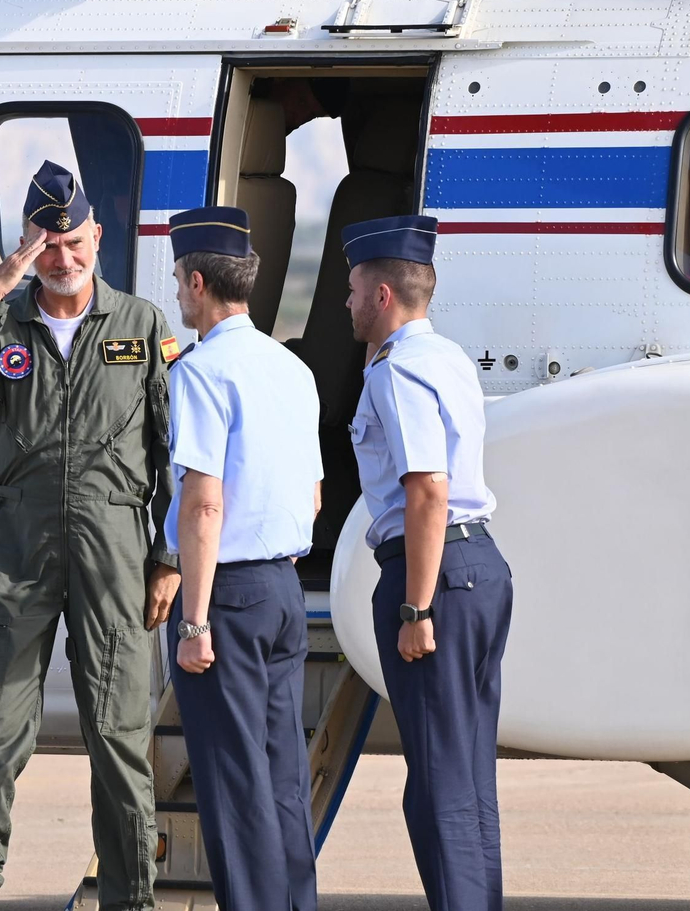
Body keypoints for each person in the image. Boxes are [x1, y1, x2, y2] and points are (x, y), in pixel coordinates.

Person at [0, 160, 183, 911]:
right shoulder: (2, 323)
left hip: (116, 555)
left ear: (96, 237)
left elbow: (173, 447)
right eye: (47, 247)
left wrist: (166, 556)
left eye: (73, 243)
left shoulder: (140, 325)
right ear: (26, 248)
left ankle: (131, 901)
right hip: (19, 553)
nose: (64, 259)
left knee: (118, 740)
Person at [341, 214, 512, 911]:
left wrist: (415, 606)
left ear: (382, 295)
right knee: (465, 776)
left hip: (433, 574)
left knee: (439, 783)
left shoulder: (397, 370)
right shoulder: (446, 356)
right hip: (479, 568)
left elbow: (426, 488)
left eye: (353, 290)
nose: (346, 304)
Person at [163, 206, 325, 911]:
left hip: (226, 598)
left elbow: (202, 503)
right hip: (282, 590)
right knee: (281, 775)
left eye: (178, 281)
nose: (176, 294)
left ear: (198, 283)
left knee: (233, 786)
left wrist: (193, 620)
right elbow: (315, 496)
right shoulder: (292, 368)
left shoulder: (201, 372)